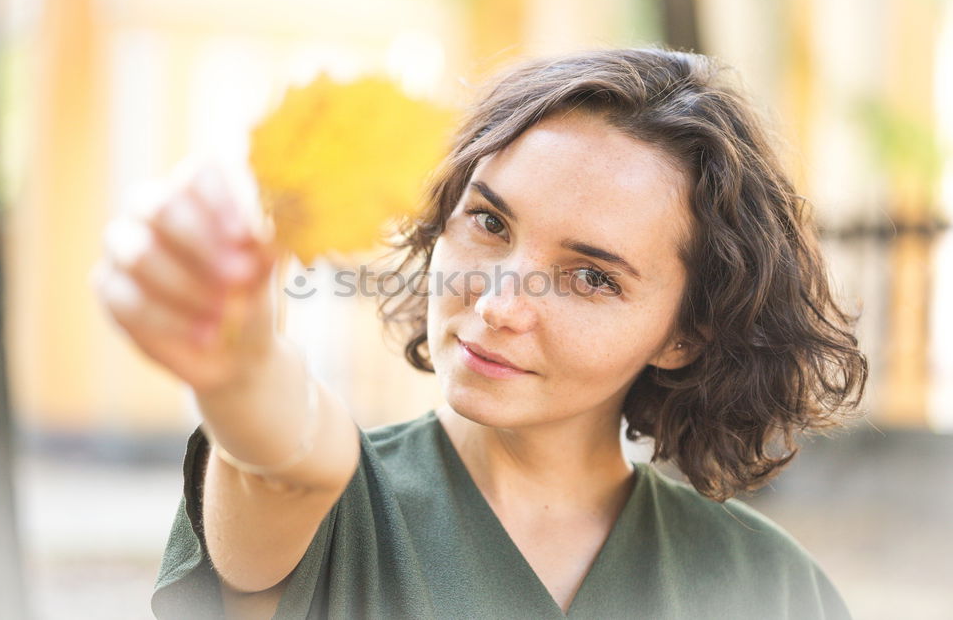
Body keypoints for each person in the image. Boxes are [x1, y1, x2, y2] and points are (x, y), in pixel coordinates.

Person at [93, 48, 867, 619]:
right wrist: (236, 366)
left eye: (591, 276)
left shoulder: (771, 586)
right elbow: (287, 462)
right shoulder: (337, 517)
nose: (500, 301)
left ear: (685, 334)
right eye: (489, 222)